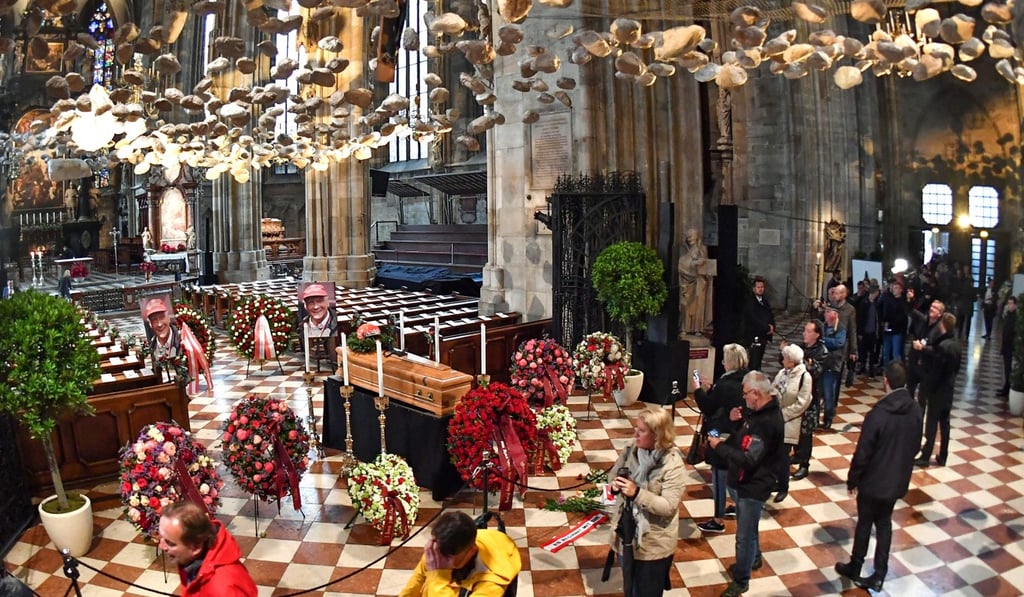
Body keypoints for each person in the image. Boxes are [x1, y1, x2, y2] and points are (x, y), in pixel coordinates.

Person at [835, 361, 922, 593]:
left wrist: (853, 478)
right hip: (897, 480)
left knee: (865, 522)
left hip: (873, 481)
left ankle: (855, 565)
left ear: (886, 382)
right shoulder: (915, 409)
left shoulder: (878, 413)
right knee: (884, 523)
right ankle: (879, 574)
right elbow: (915, 447)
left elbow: (863, 452)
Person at [707, 371, 786, 597]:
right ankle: (755, 558)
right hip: (746, 481)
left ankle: (741, 580)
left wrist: (719, 446)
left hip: (754, 485)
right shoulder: (757, 413)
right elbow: (745, 439)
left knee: (743, 537)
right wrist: (737, 422)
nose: (743, 398)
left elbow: (748, 458)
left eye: (745, 394)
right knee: (749, 527)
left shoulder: (767, 422)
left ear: (756, 393)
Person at [607, 407, 686, 596]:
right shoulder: (631, 449)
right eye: (636, 428)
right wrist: (615, 485)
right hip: (626, 534)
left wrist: (637, 494)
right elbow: (613, 474)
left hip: (653, 544)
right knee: (630, 588)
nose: (635, 434)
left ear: (657, 435)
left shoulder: (672, 464)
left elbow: (668, 506)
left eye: (641, 430)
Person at [693, 344, 748, 533]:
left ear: (730, 362)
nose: (723, 363)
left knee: (719, 475)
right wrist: (711, 389)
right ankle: (739, 506)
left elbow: (709, 408)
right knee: (732, 474)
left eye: (725, 360)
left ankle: (718, 520)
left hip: (721, 433)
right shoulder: (746, 380)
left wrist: (698, 390)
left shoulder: (726, 384)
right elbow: (723, 403)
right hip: (739, 435)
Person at [400, 510, 520, 597]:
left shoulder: (492, 583)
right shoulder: (439, 547)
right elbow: (416, 583)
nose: (438, 558)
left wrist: (438, 576)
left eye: (447, 556)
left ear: (472, 550)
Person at [158, 500, 257, 597]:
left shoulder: (225, 589)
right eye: (161, 537)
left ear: (196, 547)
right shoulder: (190, 561)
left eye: (170, 543)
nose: (161, 546)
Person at [913, 312, 960, 467]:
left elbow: (937, 371)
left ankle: (926, 456)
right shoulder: (956, 344)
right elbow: (957, 368)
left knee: (931, 424)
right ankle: (943, 455)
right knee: (945, 423)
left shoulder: (943, 346)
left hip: (937, 390)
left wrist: (928, 386)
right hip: (949, 388)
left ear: (943, 325)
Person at [772, 344, 811, 501]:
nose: (782, 360)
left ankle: (783, 487)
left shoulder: (804, 377)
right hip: (776, 420)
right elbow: (774, 389)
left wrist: (783, 414)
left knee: (783, 456)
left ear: (792, 361)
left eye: (785, 358)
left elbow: (803, 403)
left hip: (790, 422)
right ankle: (774, 481)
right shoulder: (782, 373)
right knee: (773, 454)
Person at [906, 291, 945, 409]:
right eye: (932, 306)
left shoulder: (940, 330)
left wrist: (923, 348)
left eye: (935, 308)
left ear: (940, 314)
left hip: (927, 366)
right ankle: (908, 415)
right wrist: (910, 299)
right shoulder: (923, 320)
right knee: (909, 391)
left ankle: (919, 417)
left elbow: (939, 350)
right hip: (914, 361)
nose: (932, 309)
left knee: (922, 397)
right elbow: (912, 310)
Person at [820, 308, 848, 429]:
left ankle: (828, 418)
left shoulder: (840, 328)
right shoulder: (823, 326)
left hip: (833, 364)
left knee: (829, 393)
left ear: (835, 314)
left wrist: (823, 340)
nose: (825, 314)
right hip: (821, 363)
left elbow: (839, 343)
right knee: (818, 391)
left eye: (828, 312)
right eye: (825, 312)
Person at [678, 228, 709, 334]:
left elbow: (706, 265)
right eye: (688, 236)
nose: (689, 238)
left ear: (696, 236)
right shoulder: (684, 251)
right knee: (686, 305)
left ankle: (697, 329)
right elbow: (681, 264)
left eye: (691, 236)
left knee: (698, 305)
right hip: (686, 282)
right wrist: (690, 265)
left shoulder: (701, 249)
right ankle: (685, 328)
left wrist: (701, 262)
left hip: (699, 282)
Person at [742, 277, 774, 372]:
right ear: (754, 289)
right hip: (754, 335)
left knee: (759, 359)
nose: (760, 289)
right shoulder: (750, 302)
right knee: (754, 361)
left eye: (762, 287)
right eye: (758, 287)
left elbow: (770, 314)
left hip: (763, 335)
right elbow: (754, 319)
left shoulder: (765, 301)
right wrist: (766, 327)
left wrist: (772, 326)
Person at [879, 280, 910, 366]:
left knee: (895, 353)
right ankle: (886, 370)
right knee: (885, 353)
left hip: (897, 330)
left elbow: (902, 317)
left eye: (896, 288)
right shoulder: (889, 299)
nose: (894, 289)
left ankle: (896, 371)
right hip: (888, 330)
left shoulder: (903, 302)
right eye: (894, 288)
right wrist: (884, 322)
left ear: (900, 290)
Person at [999, 296, 1017, 396]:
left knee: (1009, 368)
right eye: (1008, 303)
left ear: (1015, 305)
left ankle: (1007, 388)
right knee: (1006, 368)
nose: (1009, 305)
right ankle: (1006, 387)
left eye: (1011, 303)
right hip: (1006, 345)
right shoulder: (1008, 315)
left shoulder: (1015, 317)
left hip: (1010, 346)